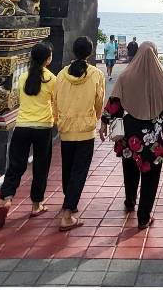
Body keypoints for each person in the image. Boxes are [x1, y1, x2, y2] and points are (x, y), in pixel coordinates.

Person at [100, 42, 163, 230]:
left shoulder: (126, 75)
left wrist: (104, 121)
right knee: (151, 175)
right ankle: (143, 217)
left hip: (131, 134)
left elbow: (114, 103)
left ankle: (129, 202)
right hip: (155, 136)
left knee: (130, 167)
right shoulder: (161, 77)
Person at [0, 41, 56, 227]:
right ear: (47, 59)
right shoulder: (52, 79)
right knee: (40, 167)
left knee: (16, 165)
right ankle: (36, 205)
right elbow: (54, 102)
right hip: (43, 127)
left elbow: (19, 98)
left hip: (22, 126)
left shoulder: (22, 77)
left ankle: (7, 199)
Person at [53, 36, 106, 232]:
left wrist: (58, 118)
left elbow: (55, 100)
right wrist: (97, 118)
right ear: (90, 53)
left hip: (66, 127)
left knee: (68, 168)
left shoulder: (61, 74)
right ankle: (67, 213)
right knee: (79, 170)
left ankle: (70, 202)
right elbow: (99, 100)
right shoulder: (95, 74)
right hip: (85, 128)